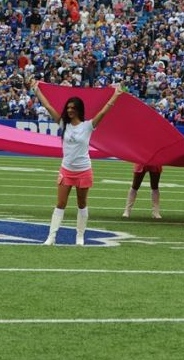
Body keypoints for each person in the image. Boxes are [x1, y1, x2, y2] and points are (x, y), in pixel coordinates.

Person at [32, 80, 122, 245]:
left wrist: (115, 95)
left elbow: (103, 112)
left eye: (73, 108)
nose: (70, 110)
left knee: (82, 204)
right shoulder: (63, 124)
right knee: (60, 203)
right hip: (66, 170)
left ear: (79, 109)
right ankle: (51, 237)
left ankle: (79, 236)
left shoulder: (88, 126)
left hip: (83, 170)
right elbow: (48, 107)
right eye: (68, 108)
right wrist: (36, 90)